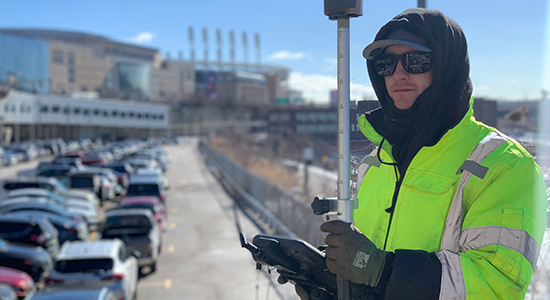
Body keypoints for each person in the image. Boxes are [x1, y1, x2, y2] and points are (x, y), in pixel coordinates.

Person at [287, 8, 547, 300]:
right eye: (387, 64)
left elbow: (497, 285)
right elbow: (365, 254)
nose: (399, 74)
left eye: (416, 61)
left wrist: (380, 269)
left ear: (447, 67)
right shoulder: (377, 162)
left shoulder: (503, 165)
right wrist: (330, 276)